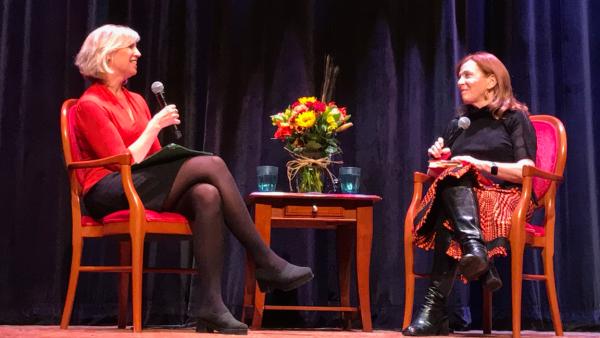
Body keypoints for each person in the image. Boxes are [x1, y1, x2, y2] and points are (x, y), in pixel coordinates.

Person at [72, 24, 313, 335]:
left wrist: (164, 144)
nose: (138, 53)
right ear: (107, 55)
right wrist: (153, 127)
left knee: (207, 195)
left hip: (139, 182)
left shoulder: (137, 101)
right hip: (106, 191)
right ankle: (265, 260)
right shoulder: (90, 104)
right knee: (212, 164)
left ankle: (210, 305)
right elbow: (122, 163)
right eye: (130, 48)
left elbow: (154, 159)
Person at [403, 51, 537, 336]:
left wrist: (480, 164)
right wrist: (439, 160)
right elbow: (440, 176)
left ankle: (434, 311)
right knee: (452, 180)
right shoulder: (458, 124)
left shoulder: (514, 118)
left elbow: (526, 171)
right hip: (465, 199)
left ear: (491, 81)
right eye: (459, 77)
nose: (460, 82)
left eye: (468, 75)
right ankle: (476, 254)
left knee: (450, 204)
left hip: (505, 197)